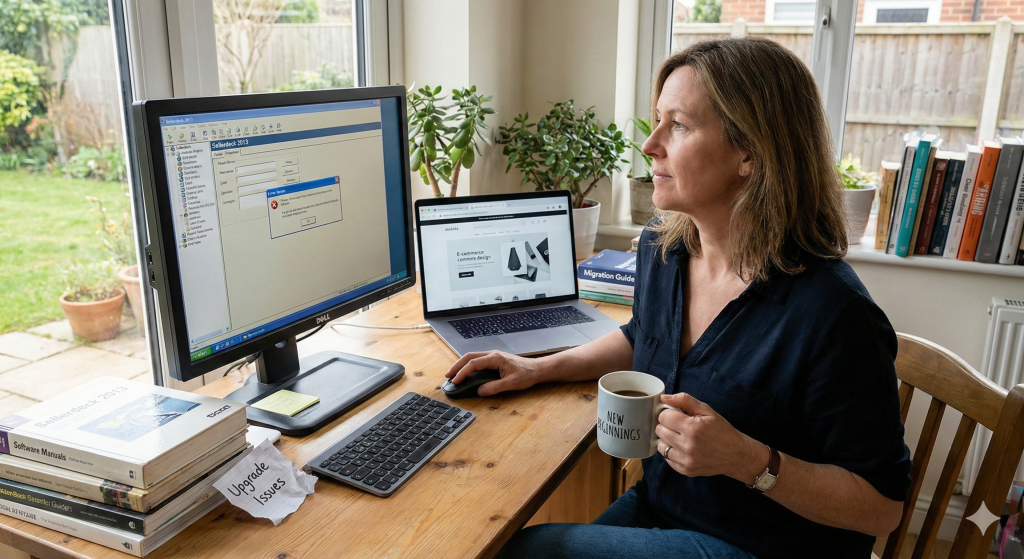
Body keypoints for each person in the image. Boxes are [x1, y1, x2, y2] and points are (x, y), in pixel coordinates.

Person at [445, 36, 911, 559]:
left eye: (680, 125)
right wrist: (538, 367)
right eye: (658, 120)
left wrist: (748, 461)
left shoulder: (834, 313)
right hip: (666, 508)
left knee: (526, 552)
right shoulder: (664, 247)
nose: (650, 145)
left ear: (749, 154)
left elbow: (883, 508)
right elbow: (642, 337)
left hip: (766, 546)